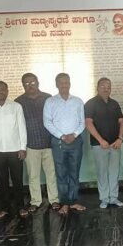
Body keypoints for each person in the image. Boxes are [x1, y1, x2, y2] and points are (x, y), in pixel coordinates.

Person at [15, 73, 59, 212]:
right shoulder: (18, 102)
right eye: (26, 83)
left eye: (32, 82)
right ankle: (36, 201)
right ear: (23, 85)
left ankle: (54, 200)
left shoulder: (48, 98)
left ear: (38, 82)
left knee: (51, 174)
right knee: (33, 176)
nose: (30, 85)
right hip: (30, 145)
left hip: (49, 143)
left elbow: (55, 118)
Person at [44, 73, 86, 215]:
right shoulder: (50, 102)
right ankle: (64, 203)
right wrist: (62, 136)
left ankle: (73, 201)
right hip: (58, 142)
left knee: (74, 172)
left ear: (70, 83)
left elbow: (82, 122)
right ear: (56, 84)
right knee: (61, 174)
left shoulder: (78, 101)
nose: (64, 85)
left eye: (66, 82)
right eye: (61, 83)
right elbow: (47, 122)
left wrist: (73, 135)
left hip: (75, 141)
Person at [0, 81, 28, 218]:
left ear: (7, 90)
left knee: (17, 180)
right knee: (2, 181)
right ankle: (5, 208)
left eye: (3, 89)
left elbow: (22, 128)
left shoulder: (16, 106)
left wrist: (23, 148)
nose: (0, 92)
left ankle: (21, 206)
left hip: (15, 150)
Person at [84, 78, 123, 208]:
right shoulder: (91, 103)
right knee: (102, 172)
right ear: (97, 87)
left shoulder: (114, 104)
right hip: (99, 145)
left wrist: (120, 139)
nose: (106, 88)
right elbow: (88, 123)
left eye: (108, 86)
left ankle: (113, 197)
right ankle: (104, 198)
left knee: (114, 171)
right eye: (103, 86)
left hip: (115, 144)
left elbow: (122, 122)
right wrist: (101, 140)